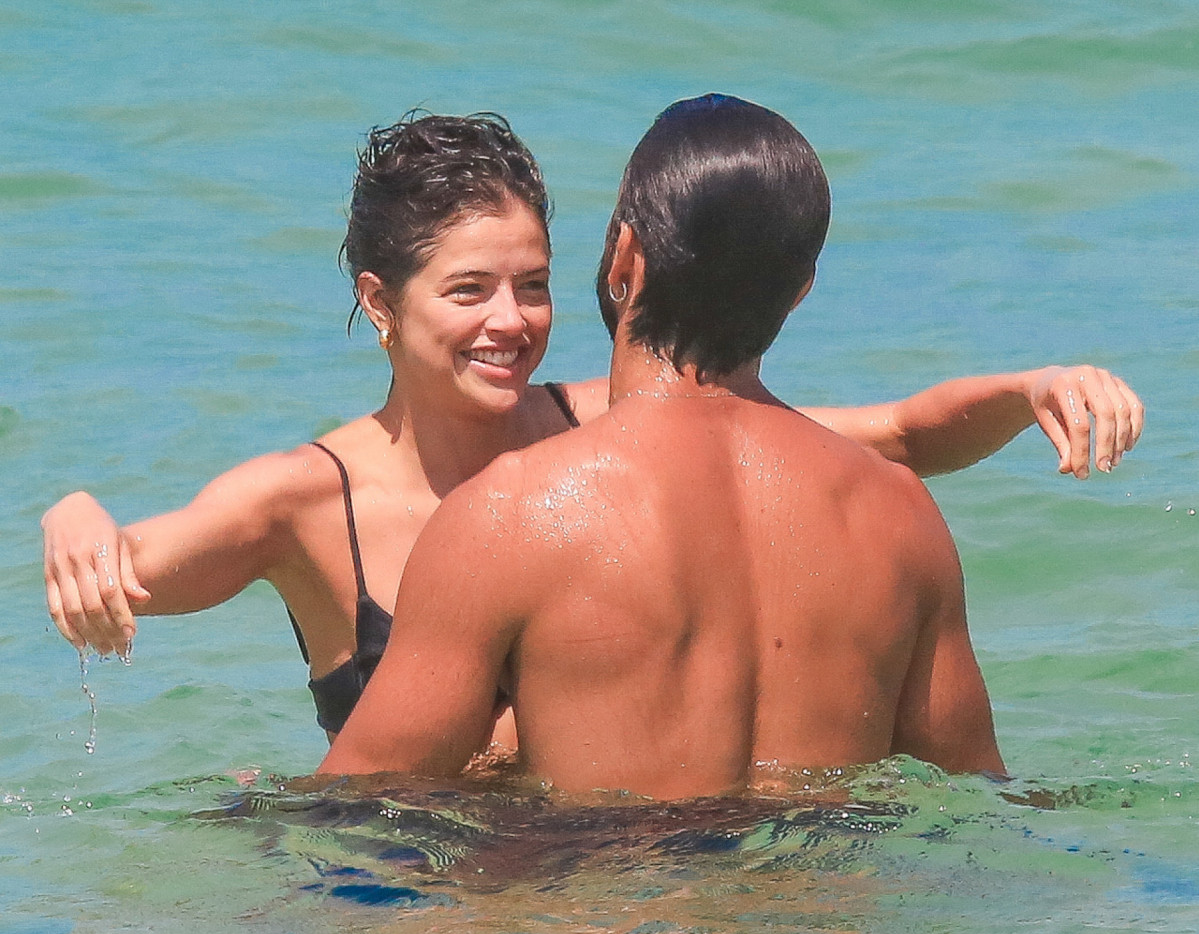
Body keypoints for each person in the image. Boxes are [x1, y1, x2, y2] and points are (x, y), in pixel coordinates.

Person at [42, 111, 1143, 741]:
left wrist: (1024, 388)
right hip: (416, 904)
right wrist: (72, 510)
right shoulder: (298, 502)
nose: (511, 322)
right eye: (468, 291)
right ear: (381, 304)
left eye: (533, 285)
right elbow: (117, 583)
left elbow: (890, 438)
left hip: (592, 882)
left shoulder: (596, 430)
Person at [320, 96, 1008, 797]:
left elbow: (366, 802)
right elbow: (982, 794)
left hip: (604, 900)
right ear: (798, 292)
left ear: (625, 256)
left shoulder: (508, 512)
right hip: (823, 898)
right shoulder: (900, 514)